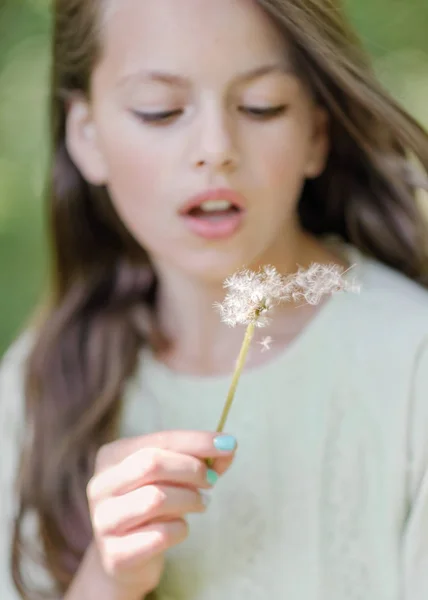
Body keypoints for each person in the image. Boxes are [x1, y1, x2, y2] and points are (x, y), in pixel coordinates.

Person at [1, 0, 428, 598]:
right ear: (86, 134)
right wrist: (110, 577)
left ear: (315, 133)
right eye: (161, 111)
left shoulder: (412, 364)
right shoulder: (37, 386)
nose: (215, 148)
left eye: (262, 107)